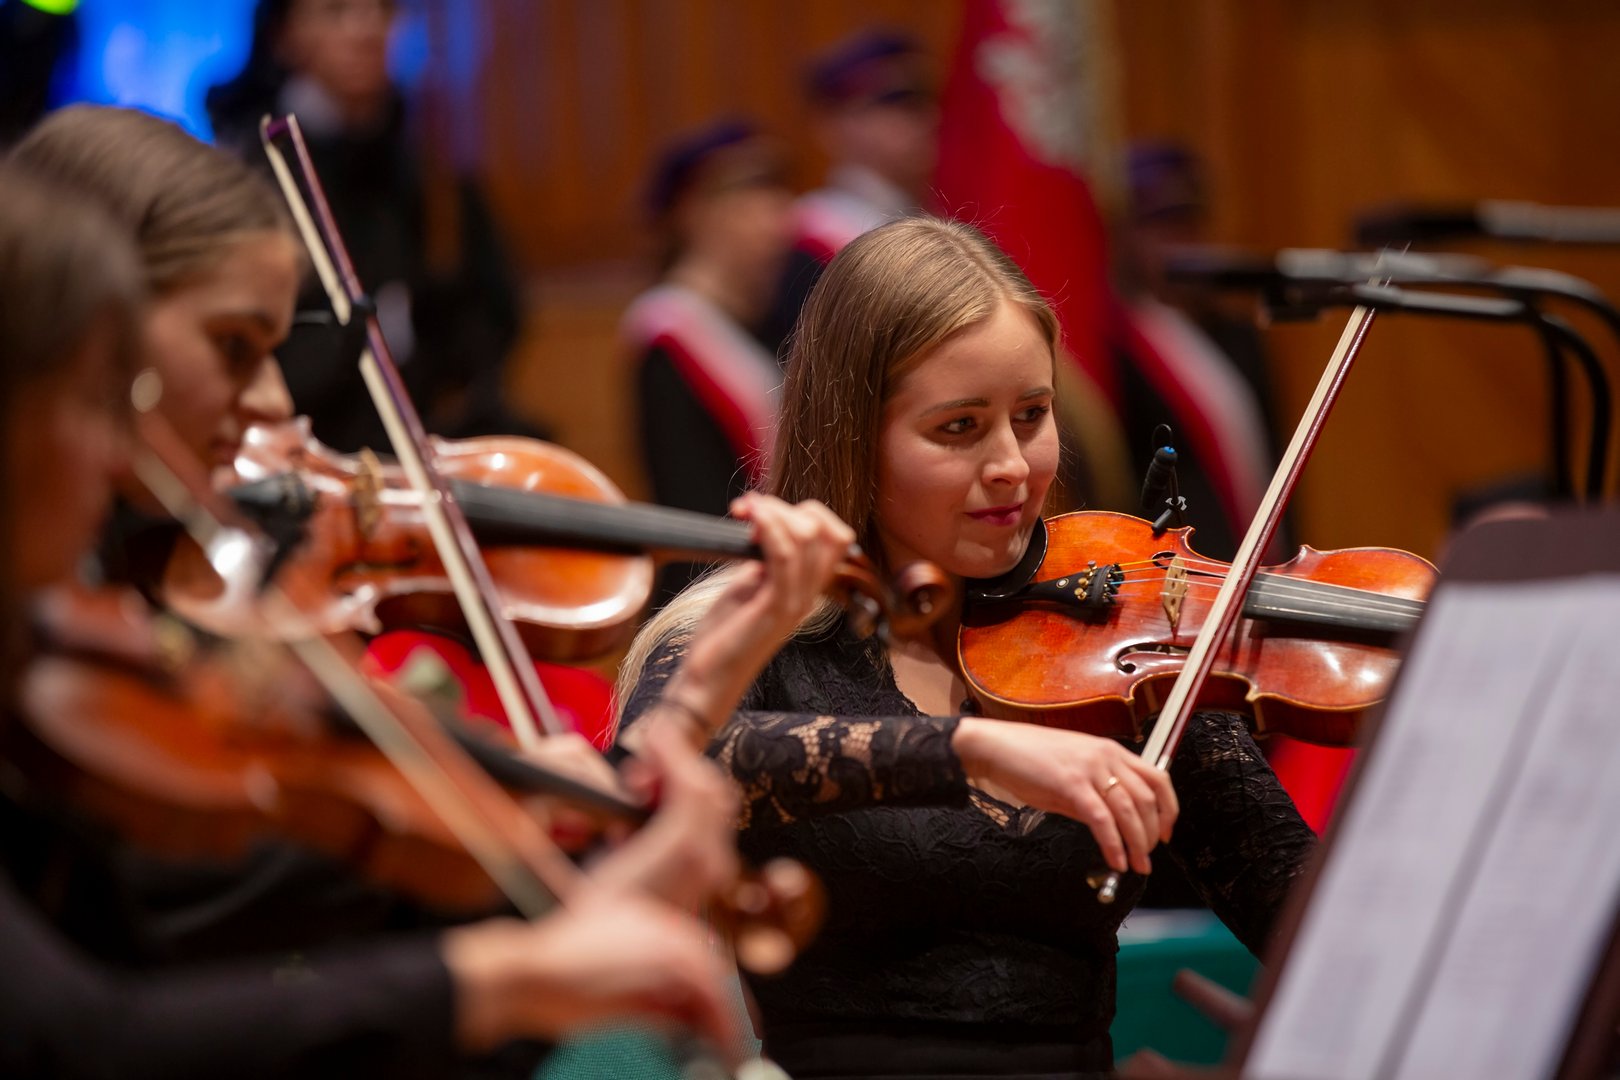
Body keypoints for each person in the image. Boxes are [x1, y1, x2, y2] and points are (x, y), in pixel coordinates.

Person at [2, 106, 856, 1073]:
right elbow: (96, 1021)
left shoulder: (117, 635)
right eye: (232, 346)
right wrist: (510, 954)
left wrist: (674, 717)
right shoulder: (96, 643)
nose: (276, 402)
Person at [616, 216, 1318, 1080]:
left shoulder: (1123, 646)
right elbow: (653, 769)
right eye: (959, 428)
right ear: (854, 439)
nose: (1013, 465)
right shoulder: (747, 636)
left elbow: (1306, 917)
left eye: (1032, 415)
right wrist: (969, 749)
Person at [206, 0, 540, 452]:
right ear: (285, 36)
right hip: (307, 446)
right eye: (336, 10)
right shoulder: (254, 176)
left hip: (423, 441)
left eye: (382, 9)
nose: (366, 29)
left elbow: (495, 309)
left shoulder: (430, 169)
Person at [622, 119, 796, 607]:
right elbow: (692, 500)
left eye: (777, 197)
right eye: (749, 200)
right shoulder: (669, 334)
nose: (776, 220)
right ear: (694, 212)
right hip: (715, 589)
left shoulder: (774, 316)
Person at [762, 29, 939, 351]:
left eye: (929, 100)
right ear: (835, 124)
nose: (926, 118)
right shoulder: (810, 244)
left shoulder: (935, 214)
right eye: (897, 102)